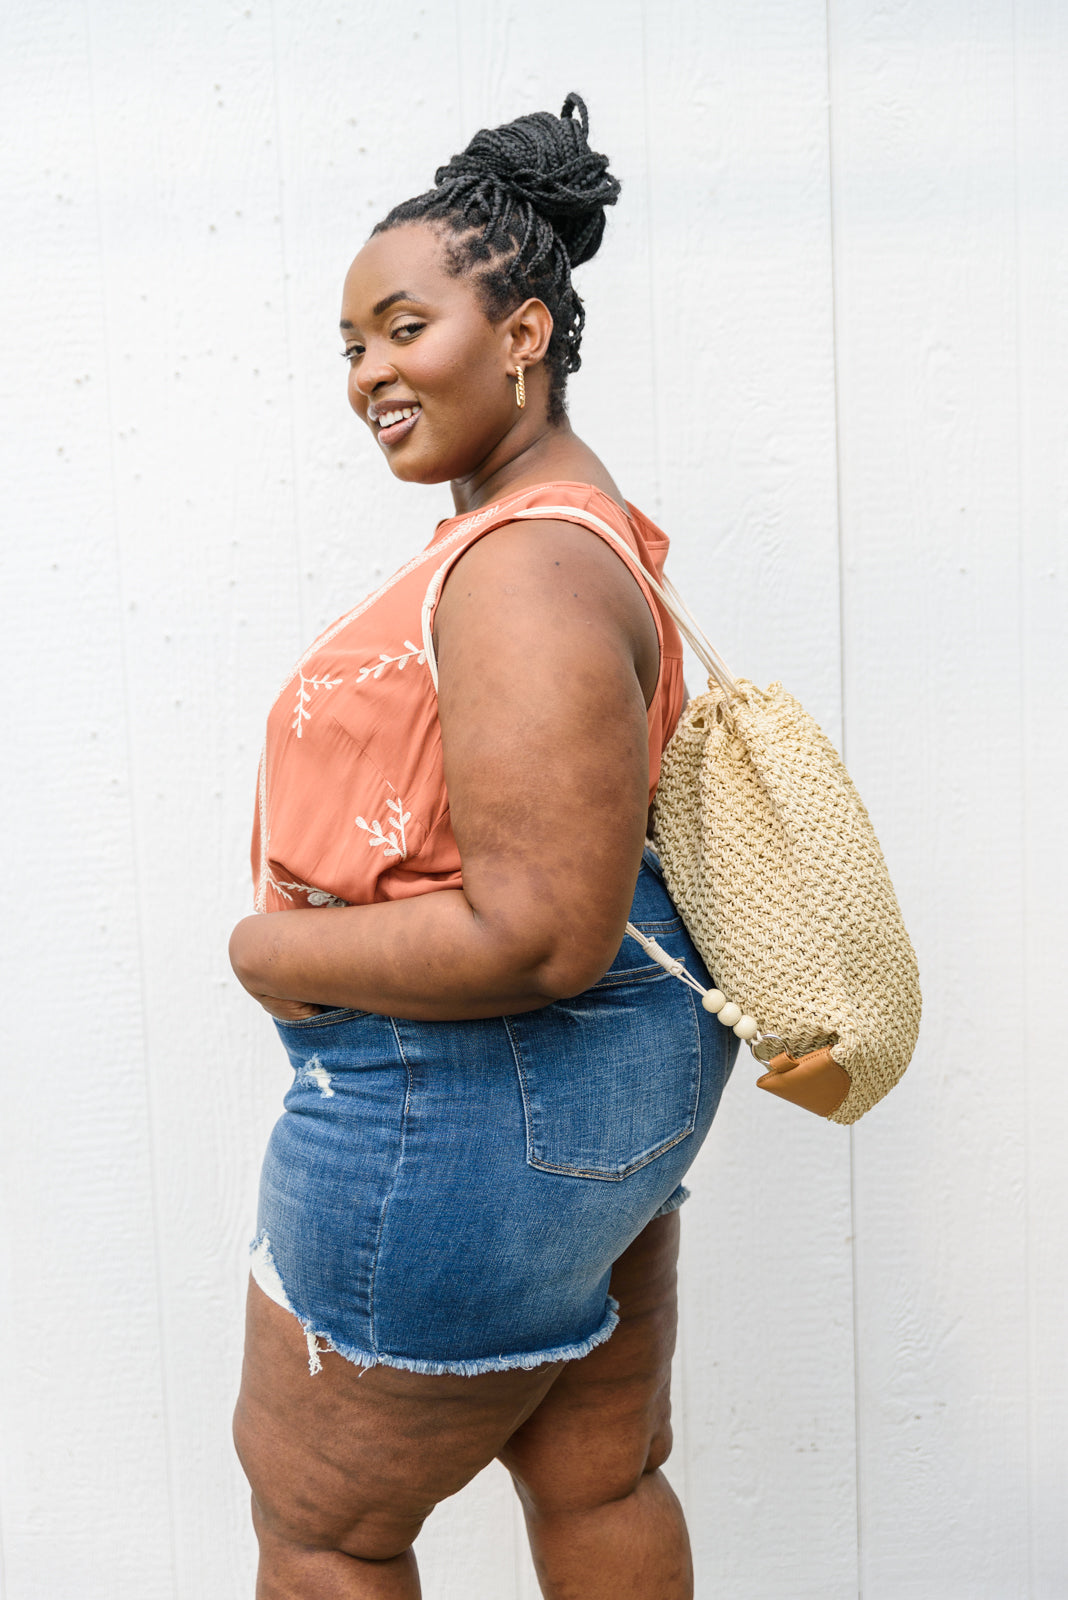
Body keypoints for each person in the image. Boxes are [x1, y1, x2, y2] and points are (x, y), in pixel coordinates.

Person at [229, 93, 737, 1600]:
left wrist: (268, 946)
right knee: (602, 1480)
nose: (372, 372)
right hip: (595, 1116)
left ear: (522, 332)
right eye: (351, 347)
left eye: (402, 327)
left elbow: (536, 935)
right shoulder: (567, 531)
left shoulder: (520, 570)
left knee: (327, 1531)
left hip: (458, 1115)